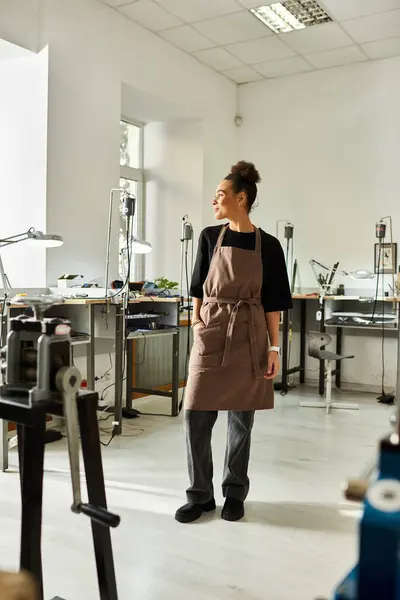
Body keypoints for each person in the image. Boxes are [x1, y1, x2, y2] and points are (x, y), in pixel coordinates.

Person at [175, 161, 292, 524]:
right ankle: (199, 495)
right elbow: (197, 287)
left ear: (241, 199)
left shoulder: (270, 246)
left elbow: (273, 303)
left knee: (242, 421)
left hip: (251, 332)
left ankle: (234, 493)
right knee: (195, 414)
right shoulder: (210, 236)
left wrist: (274, 349)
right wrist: (197, 322)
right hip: (211, 330)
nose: (215, 201)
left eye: (221, 195)